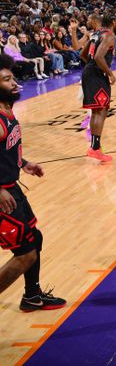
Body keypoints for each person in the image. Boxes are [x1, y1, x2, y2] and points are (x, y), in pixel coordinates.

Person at [0, 53, 67, 311]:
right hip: (3, 196)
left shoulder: (7, 108)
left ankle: (31, 296)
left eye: (12, 77)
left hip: (12, 189)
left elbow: (5, 148)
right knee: (25, 254)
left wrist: (23, 163)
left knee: (34, 238)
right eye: (7, 80)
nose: (14, 82)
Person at [80, 13, 116, 162]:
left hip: (89, 72)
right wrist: (110, 74)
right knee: (101, 111)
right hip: (97, 74)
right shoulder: (108, 35)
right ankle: (94, 148)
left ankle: (95, 148)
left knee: (97, 111)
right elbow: (98, 57)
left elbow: (83, 54)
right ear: (113, 22)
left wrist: (90, 66)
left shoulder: (96, 34)